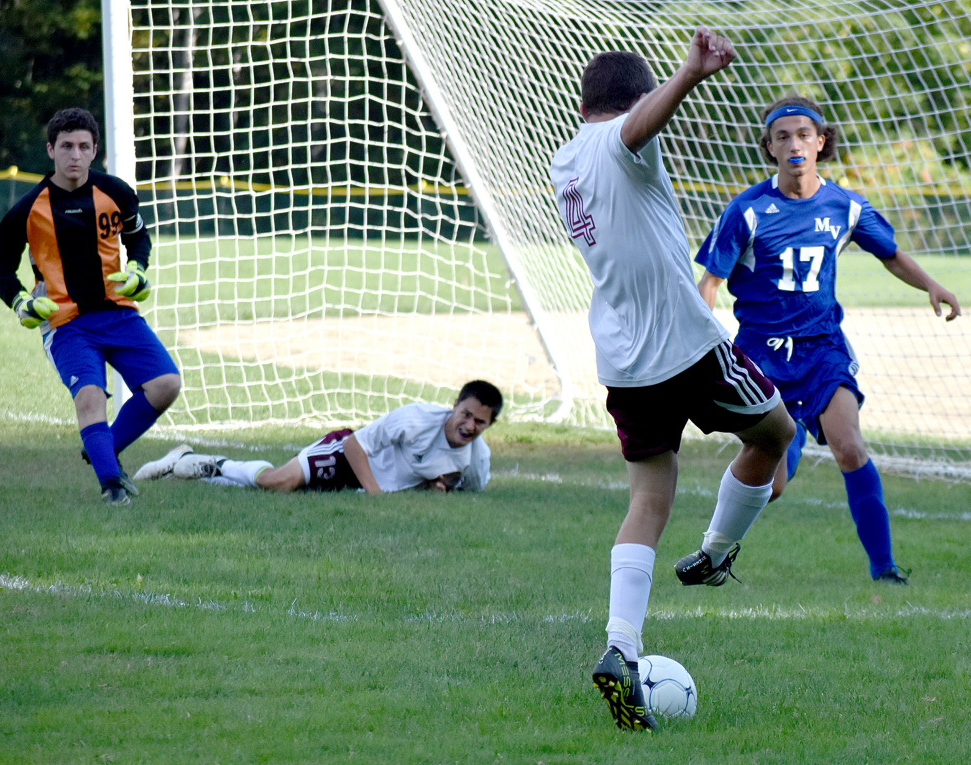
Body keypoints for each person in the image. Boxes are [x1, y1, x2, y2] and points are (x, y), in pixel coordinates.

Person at [549, 29, 796, 732]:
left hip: (622, 360)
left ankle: (619, 646)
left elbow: (623, 128)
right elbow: (636, 128)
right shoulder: (616, 142)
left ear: (582, 100)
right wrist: (689, 73)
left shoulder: (564, 158)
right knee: (776, 432)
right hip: (684, 344)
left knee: (648, 497)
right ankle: (715, 554)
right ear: (633, 95)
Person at [694, 95, 962, 585]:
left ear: (821, 142)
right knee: (773, 485)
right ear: (769, 148)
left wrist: (932, 285)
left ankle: (884, 570)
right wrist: (699, 339)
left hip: (823, 350)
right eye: (782, 136)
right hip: (760, 357)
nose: (793, 144)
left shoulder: (846, 206)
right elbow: (709, 283)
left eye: (803, 135)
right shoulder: (748, 210)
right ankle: (715, 551)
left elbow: (892, 253)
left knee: (850, 447)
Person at [0, 107, 181, 507]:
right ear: (51, 150)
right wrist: (21, 300)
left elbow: (138, 238)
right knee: (90, 396)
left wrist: (139, 269)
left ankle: (99, 447)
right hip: (66, 323)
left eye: (84, 147)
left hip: (119, 314)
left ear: (95, 152)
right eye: (67, 146)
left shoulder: (117, 193)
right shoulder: (29, 207)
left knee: (166, 384)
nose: (75, 155)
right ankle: (112, 487)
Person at [135, 380, 503, 494]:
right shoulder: (416, 418)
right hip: (349, 456)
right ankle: (207, 462)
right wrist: (375, 492)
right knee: (279, 481)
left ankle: (191, 473)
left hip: (359, 485)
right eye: (466, 414)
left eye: (480, 422)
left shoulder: (474, 458)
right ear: (453, 405)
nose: (469, 426)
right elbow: (353, 443)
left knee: (281, 494)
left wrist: (437, 489)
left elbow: (458, 486)